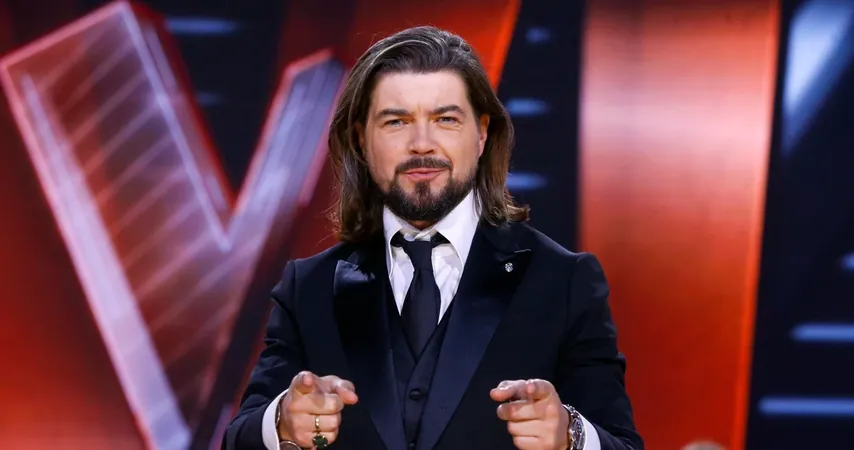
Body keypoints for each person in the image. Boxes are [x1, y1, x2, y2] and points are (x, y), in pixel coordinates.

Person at [223, 25, 642, 450]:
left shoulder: (564, 282)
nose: (422, 144)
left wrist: (569, 433)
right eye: (396, 121)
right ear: (360, 140)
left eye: (445, 120)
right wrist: (281, 421)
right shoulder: (308, 288)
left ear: (482, 134)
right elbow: (239, 438)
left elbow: (622, 443)